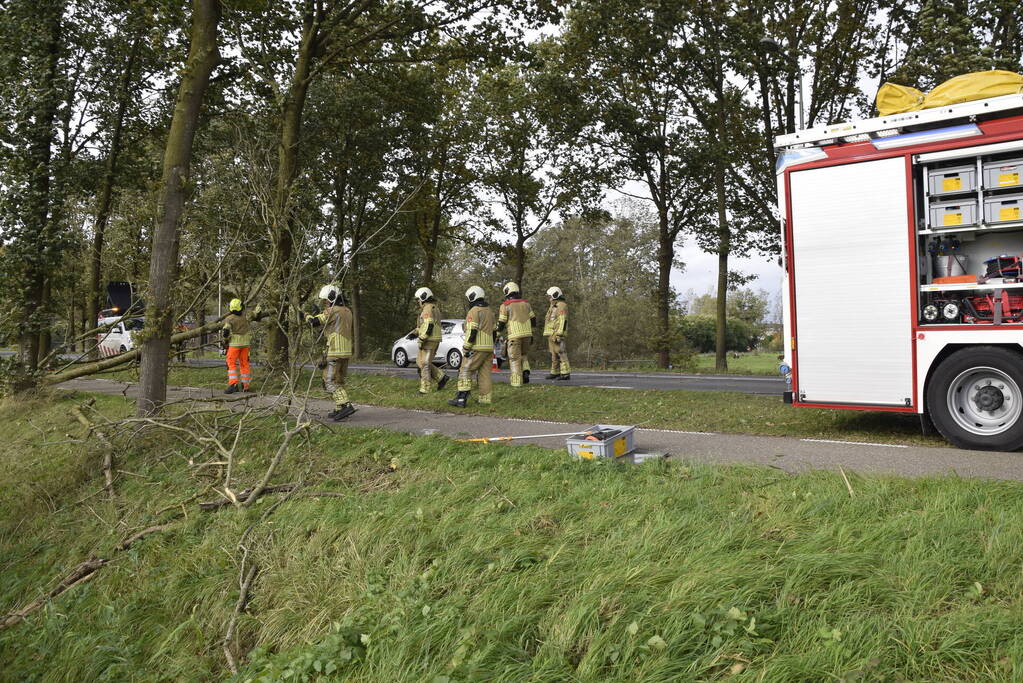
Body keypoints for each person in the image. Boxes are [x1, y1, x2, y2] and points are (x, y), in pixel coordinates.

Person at [305, 284, 356, 421]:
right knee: (339, 380)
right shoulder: (347, 310)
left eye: (326, 301)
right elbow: (330, 327)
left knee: (329, 381)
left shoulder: (332, 310)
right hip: (346, 351)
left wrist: (306, 315)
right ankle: (339, 409)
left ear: (331, 298)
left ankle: (345, 405)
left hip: (334, 350)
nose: (325, 303)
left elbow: (314, 322)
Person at [449, 285, 495, 408]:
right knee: (485, 374)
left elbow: (472, 331)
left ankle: (460, 399)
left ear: (472, 296)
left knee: (465, 370)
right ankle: (485, 400)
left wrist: (466, 347)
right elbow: (494, 331)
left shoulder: (474, 311)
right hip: (489, 348)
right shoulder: (490, 311)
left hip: (476, 347)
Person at [497, 281, 535, 387]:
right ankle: (526, 371)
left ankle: (516, 383)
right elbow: (533, 319)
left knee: (514, 359)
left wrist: (498, 334)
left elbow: (501, 322)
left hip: (514, 336)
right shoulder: (526, 304)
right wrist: (531, 332)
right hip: (527, 334)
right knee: (523, 355)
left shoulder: (505, 305)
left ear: (507, 292)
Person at [413, 286, 449, 394]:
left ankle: (425, 390)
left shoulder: (427, 308)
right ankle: (441, 377)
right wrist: (415, 332)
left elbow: (429, 326)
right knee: (420, 362)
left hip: (429, 340)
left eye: (418, 299)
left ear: (423, 297)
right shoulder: (433, 307)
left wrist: (422, 338)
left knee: (424, 364)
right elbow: (425, 325)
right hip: (433, 338)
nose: (418, 301)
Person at [222, 299, 252, 394]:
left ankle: (233, 385)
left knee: (231, 363)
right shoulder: (245, 317)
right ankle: (245, 386)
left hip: (234, 344)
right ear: (241, 307)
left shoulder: (229, 319)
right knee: (244, 363)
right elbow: (255, 315)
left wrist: (225, 341)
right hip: (246, 344)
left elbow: (226, 332)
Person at [543, 286, 571, 381]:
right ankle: (554, 373)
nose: (548, 298)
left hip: (557, 334)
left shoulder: (561, 305)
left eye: (550, 296)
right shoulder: (553, 306)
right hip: (551, 334)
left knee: (561, 353)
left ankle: (565, 374)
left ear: (555, 295)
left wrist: (559, 334)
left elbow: (563, 320)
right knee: (553, 354)